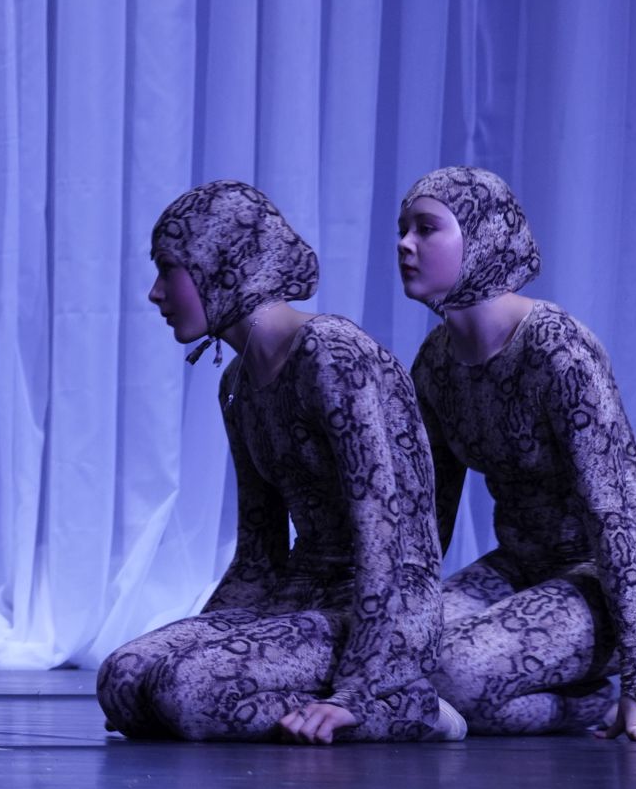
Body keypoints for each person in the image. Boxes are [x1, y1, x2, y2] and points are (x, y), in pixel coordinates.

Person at [97, 181, 460, 744]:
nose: (155, 293)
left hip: (388, 608)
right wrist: (203, 641)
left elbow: (383, 540)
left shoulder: (331, 353)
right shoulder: (236, 383)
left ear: (222, 264)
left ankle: (412, 707)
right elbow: (258, 553)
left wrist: (359, 686)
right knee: (123, 679)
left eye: (169, 269)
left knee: (183, 691)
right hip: (300, 595)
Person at [398, 167, 636, 742]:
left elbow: (611, 515)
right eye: (403, 229)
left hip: (620, 576)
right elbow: (431, 517)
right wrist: (394, 619)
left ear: (482, 237)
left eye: (427, 228)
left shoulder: (557, 350)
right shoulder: (437, 361)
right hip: (523, 566)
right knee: (400, 652)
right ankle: (547, 693)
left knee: (450, 674)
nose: (405, 244)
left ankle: (590, 705)